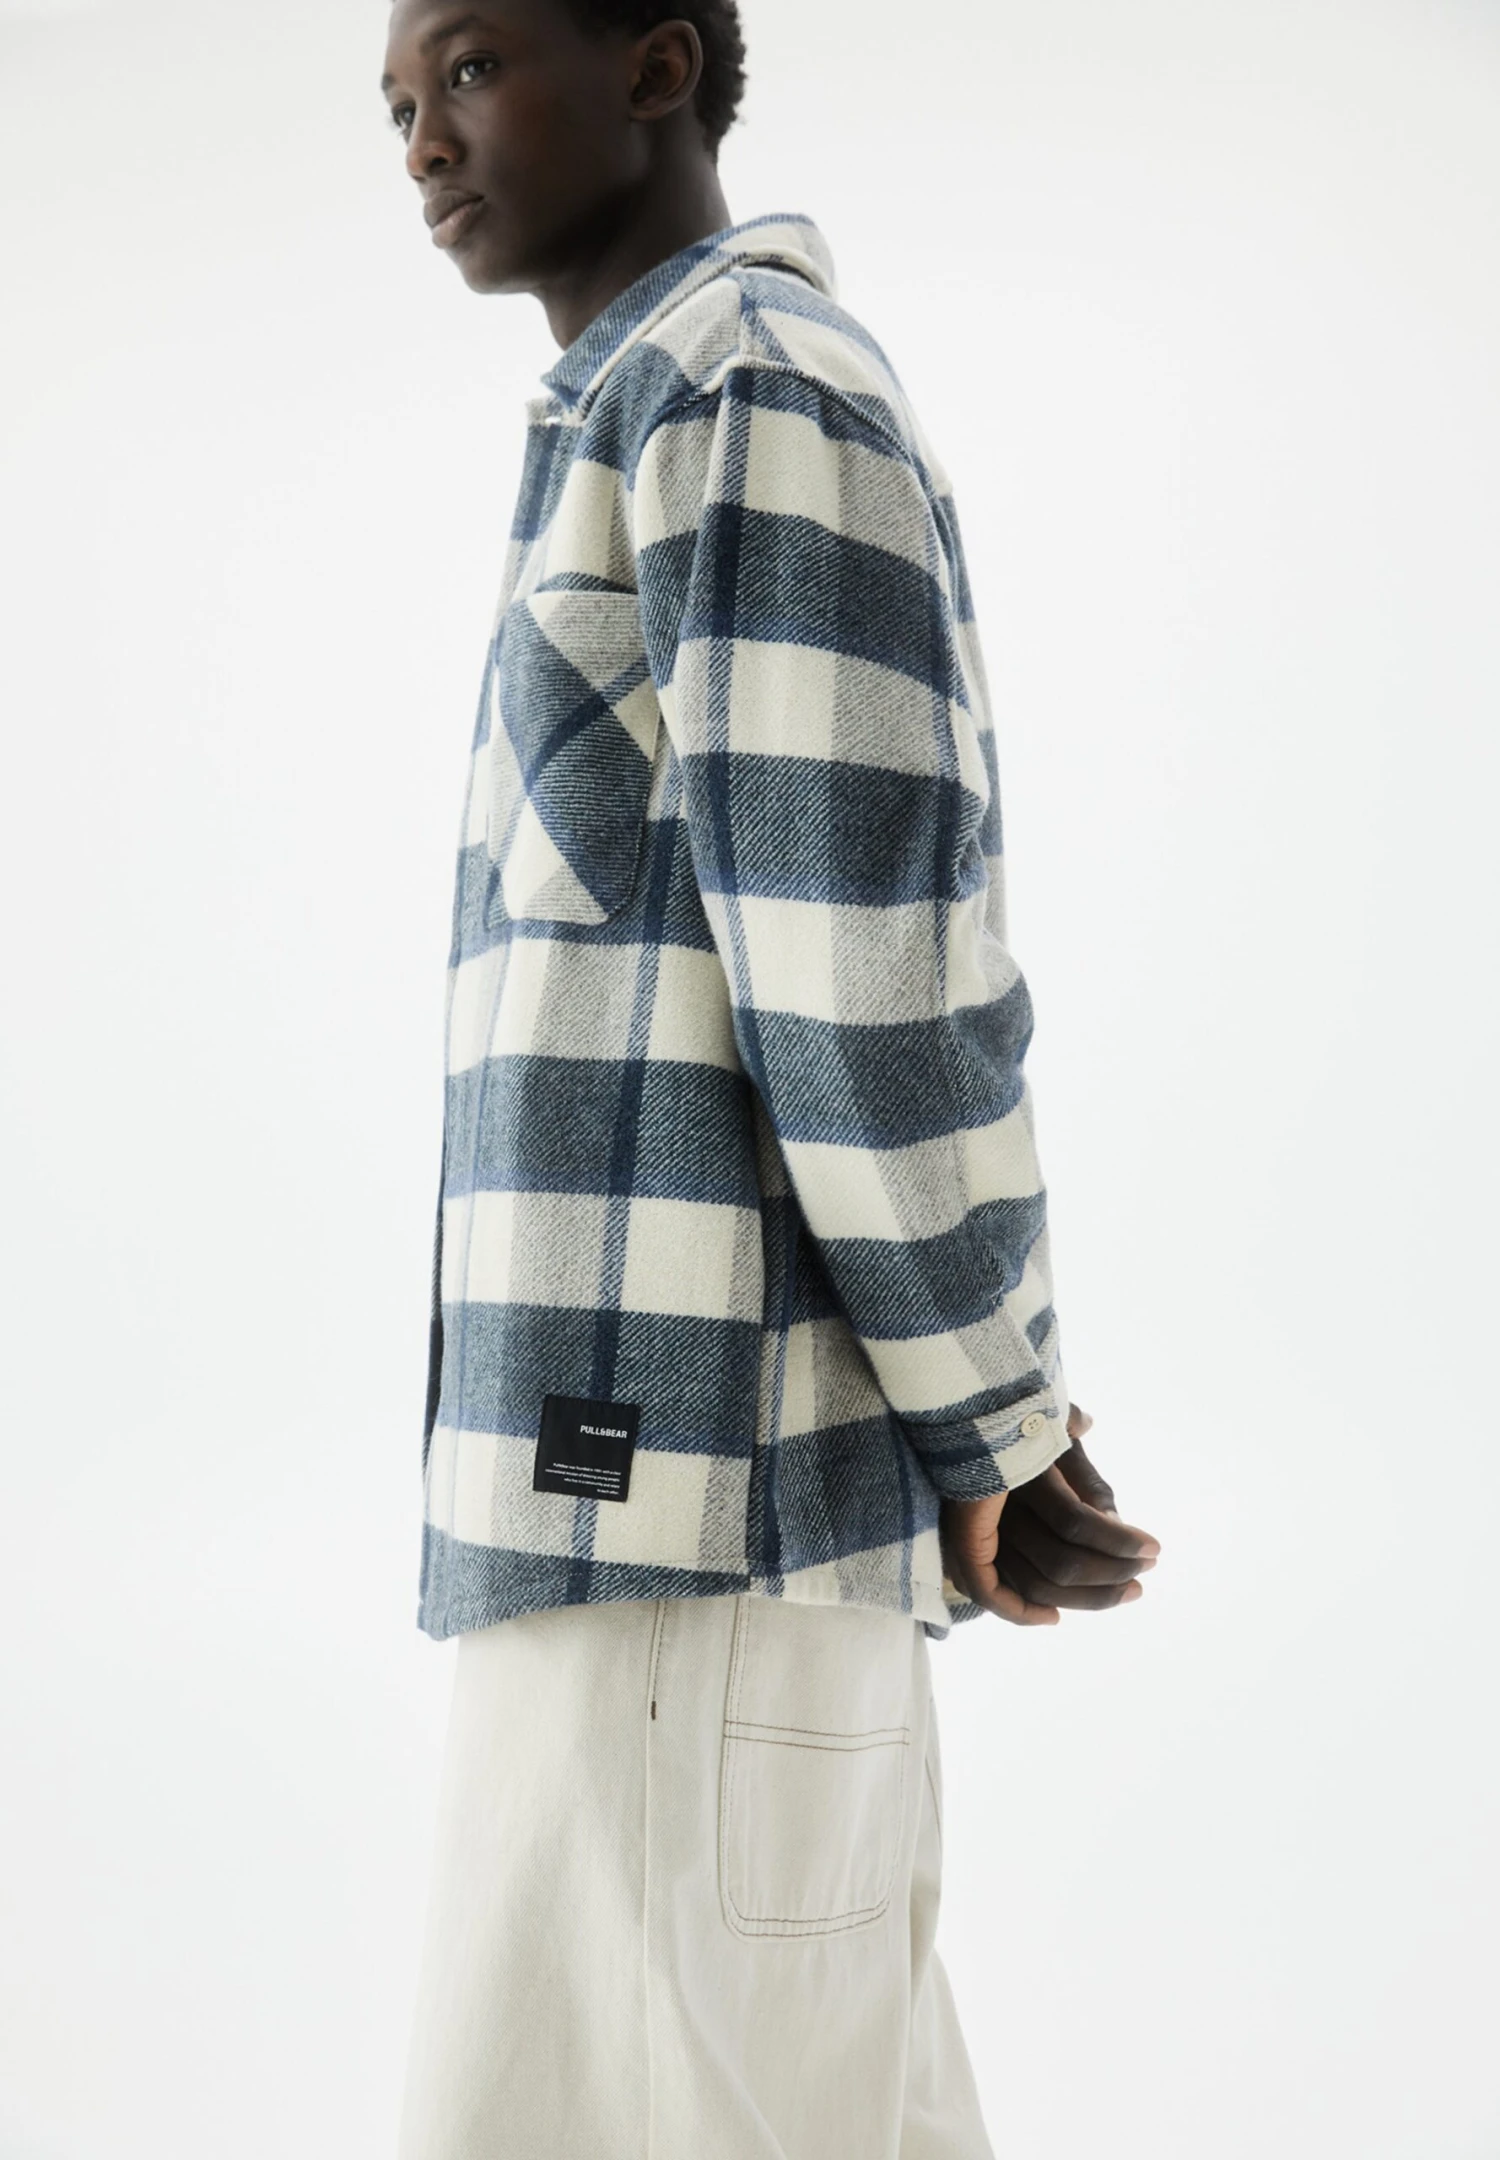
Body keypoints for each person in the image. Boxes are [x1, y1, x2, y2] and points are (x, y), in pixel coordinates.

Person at [378, 0, 1162, 2151]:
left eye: (468, 69)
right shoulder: (651, 402)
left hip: (691, 1514)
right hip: (642, 1504)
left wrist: (998, 1419)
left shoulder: (748, 386)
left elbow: (861, 964)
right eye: (398, 104)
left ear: (659, 65)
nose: (424, 139)